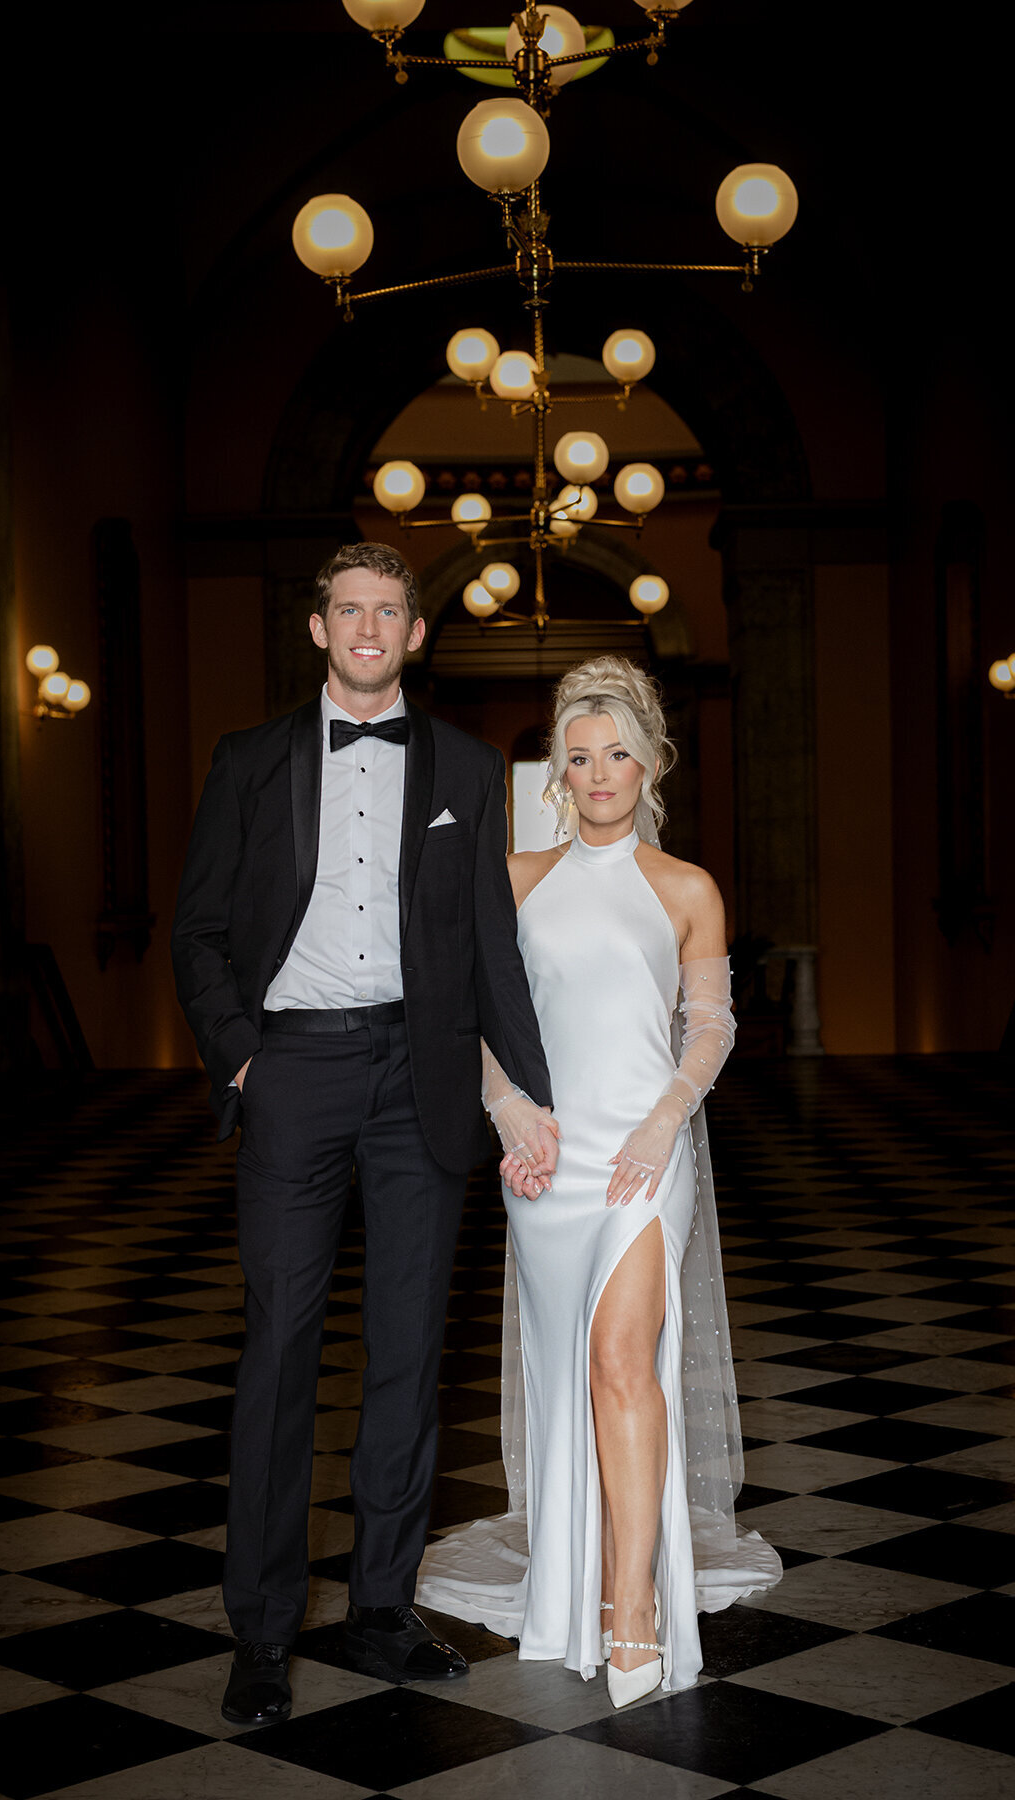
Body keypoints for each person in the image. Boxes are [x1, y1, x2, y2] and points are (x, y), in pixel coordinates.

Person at [171, 541, 557, 1726]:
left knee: (407, 1354)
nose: (370, 628)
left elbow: (491, 944)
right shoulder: (250, 760)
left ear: (415, 632)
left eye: (391, 611)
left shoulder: (465, 764)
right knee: (281, 1347)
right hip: (294, 1067)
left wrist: (528, 1099)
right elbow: (196, 931)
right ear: (320, 626)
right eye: (350, 610)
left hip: (419, 1079)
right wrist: (245, 1058)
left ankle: (382, 1610)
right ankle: (264, 1630)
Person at [416, 655, 780, 1706]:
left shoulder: (686, 889)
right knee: (572, 1377)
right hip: (546, 1160)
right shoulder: (517, 879)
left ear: (649, 762)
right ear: (556, 777)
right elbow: (469, 1014)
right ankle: (579, 1583)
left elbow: (708, 1024)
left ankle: (630, 1608)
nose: (600, 772)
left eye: (618, 752)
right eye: (579, 757)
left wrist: (667, 1123)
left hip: (646, 1155)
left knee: (625, 1361)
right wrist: (507, 1109)